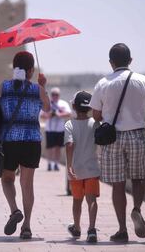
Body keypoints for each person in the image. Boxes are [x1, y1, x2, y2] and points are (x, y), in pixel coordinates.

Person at [90, 43, 145, 242]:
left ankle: (122, 229)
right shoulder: (143, 81)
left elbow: (95, 115)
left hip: (113, 138)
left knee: (118, 184)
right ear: (130, 60)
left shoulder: (103, 83)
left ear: (111, 62)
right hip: (137, 134)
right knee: (139, 177)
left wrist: (108, 114)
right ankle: (136, 209)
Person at [0, 51, 50, 239]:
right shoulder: (37, 89)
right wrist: (42, 86)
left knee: (7, 179)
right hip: (31, 141)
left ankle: (14, 210)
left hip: (9, 141)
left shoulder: (4, 86)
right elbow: (48, 108)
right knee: (27, 185)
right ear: (31, 70)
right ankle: (26, 226)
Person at [64, 91, 101, 243]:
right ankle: (91, 229)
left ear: (73, 106)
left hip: (77, 170)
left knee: (77, 200)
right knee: (91, 200)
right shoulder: (95, 123)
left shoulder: (69, 124)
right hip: (92, 168)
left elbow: (70, 144)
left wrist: (69, 165)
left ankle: (77, 227)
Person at [41, 87, 71, 171]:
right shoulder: (47, 103)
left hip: (59, 129)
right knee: (50, 148)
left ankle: (56, 164)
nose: (54, 96)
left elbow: (69, 113)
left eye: (56, 94)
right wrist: (50, 115)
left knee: (58, 147)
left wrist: (59, 114)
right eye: (53, 94)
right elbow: (42, 115)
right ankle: (50, 163)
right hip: (49, 129)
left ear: (59, 95)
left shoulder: (63, 103)